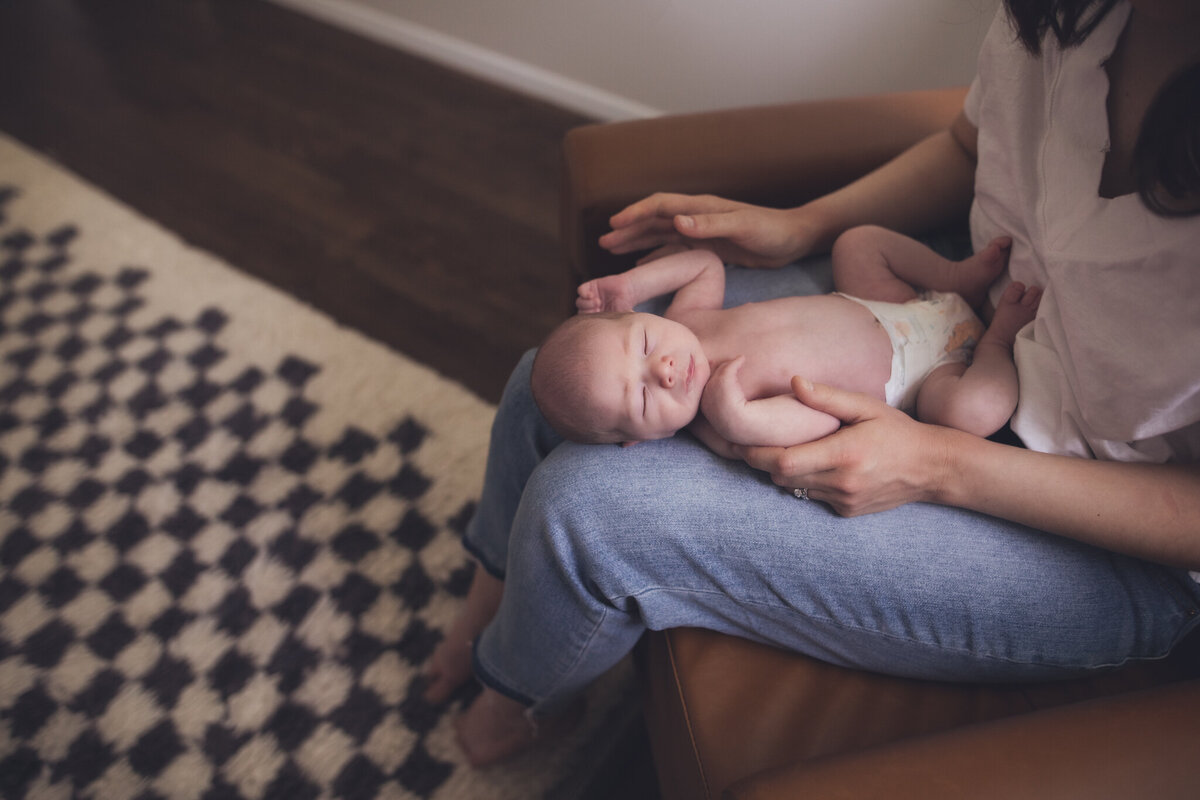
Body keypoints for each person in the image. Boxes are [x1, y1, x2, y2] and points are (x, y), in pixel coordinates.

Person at [424, 0, 1200, 767]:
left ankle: (511, 700)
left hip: (1092, 514)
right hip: (943, 298)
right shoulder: (1071, 12)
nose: (665, 363)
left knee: (583, 511)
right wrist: (806, 223)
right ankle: (487, 608)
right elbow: (970, 147)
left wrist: (936, 463)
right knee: (552, 375)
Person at [531, 228, 1040, 452]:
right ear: (639, 438)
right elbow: (825, 418)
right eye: (642, 395)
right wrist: (742, 418)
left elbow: (705, 263)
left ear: (639, 315)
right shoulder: (721, 423)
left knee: (857, 243)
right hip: (924, 376)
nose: (662, 370)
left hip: (885, 303)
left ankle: (955, 277)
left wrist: (631, 285)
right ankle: (996, 343)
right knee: (968, 414)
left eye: (644, 343)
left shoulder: (690, 320)